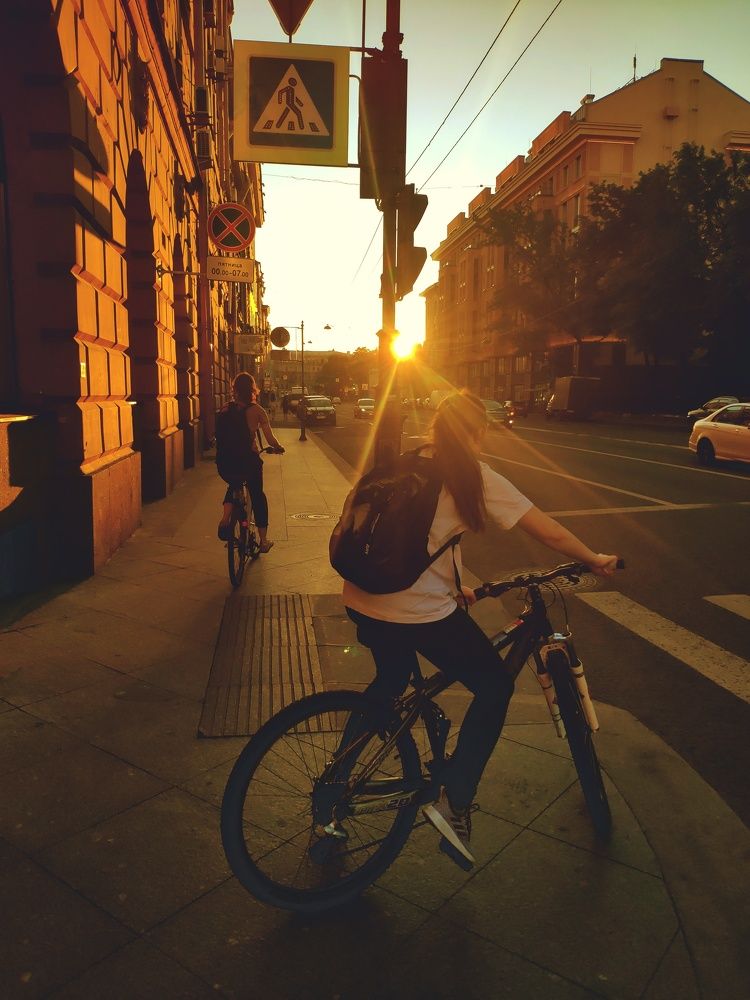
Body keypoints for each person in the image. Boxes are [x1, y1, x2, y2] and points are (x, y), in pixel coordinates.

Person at [341, 390, 617, 869]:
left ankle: (336, 786)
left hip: (361, 596)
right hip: (412, 608)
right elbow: (547, 530)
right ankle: (455, 800)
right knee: (493, 687)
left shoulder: (406, 462)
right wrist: (593, 559)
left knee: (387, 684)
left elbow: (421, 541)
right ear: (478, 431)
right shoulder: (470, 475)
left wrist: (457, 591)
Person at [217, 372, 285, 553]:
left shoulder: (225, 408)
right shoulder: (257, 411)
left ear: (235, 390)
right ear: (252, 389)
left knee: (233, 485)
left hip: (225, 461)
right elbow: (269, 438)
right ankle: (263, 541)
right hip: (248, 461)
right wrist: (278, 447)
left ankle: (225, 520)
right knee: (257, 495)